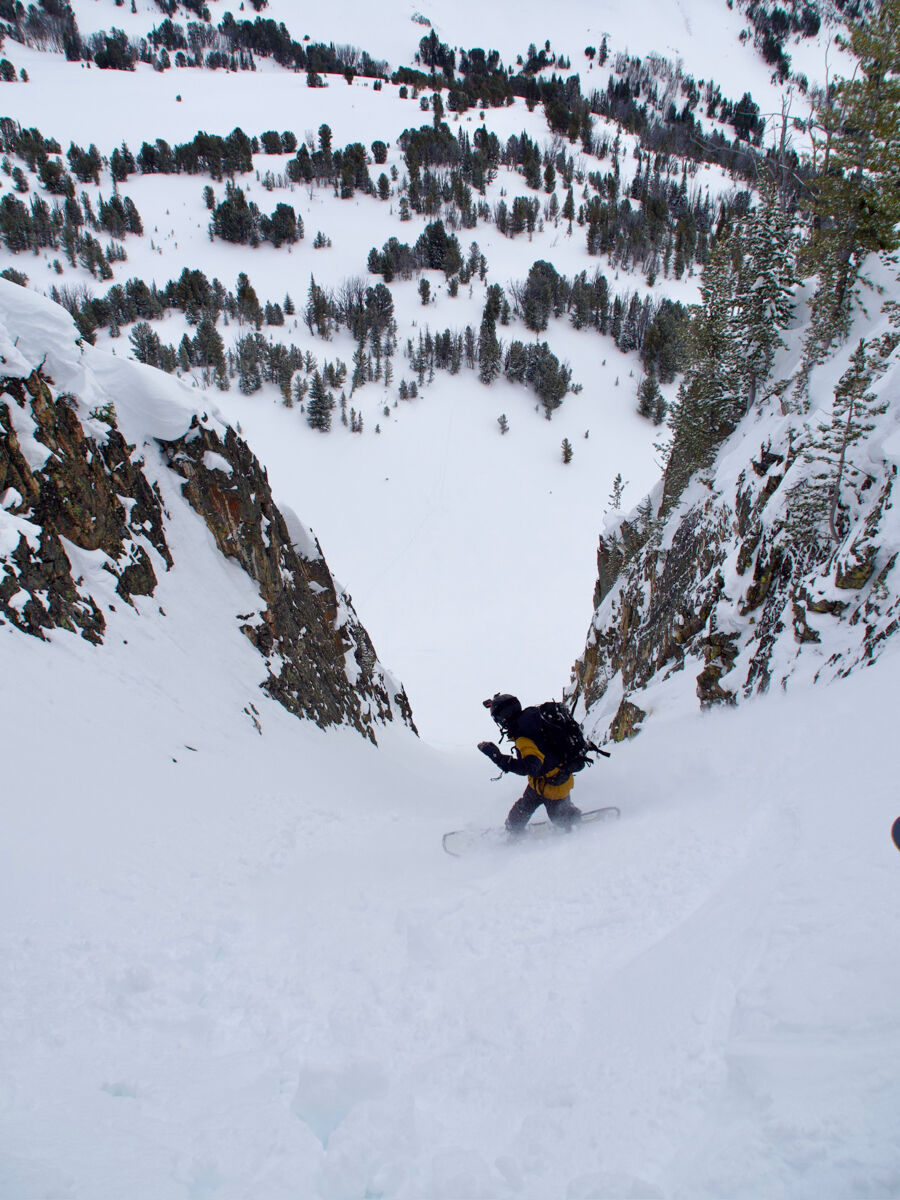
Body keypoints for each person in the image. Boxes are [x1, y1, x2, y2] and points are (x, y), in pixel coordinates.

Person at [477, 693, 582, 834]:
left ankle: (574, 820)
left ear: (504, 718)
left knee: (560, 819)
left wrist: (498, 757)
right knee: (518, 815)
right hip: (540, 783)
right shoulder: (530, 721)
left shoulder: (524, 736)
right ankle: (513, 830)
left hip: (554, 785)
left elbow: (530, 767)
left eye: (498, 719)